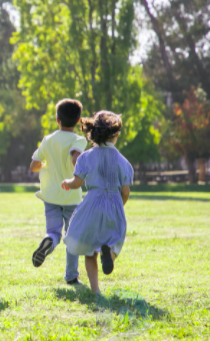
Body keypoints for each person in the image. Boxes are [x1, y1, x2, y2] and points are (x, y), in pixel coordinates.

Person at [62, 111, 133, 295]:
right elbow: (125, 191)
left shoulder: (85, 157)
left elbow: (76, 183)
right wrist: (119, 205)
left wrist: (66, 183)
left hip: (92, 204)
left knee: (88, 249)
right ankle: (109, 255)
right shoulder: (124, 162)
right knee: (115, 240)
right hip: (114, 203)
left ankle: (96, 291)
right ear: (115, 135)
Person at [29, 99, 87, 284]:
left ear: (57, 120)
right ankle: (71, 276)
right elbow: (76, 158)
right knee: (72, 237)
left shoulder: (48, 139)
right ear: (78, 121)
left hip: (50, 195)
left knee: (53, 231)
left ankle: (48, 241)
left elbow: (33, 166)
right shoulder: (79, 139)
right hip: (71, 195)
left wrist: (48, 164)